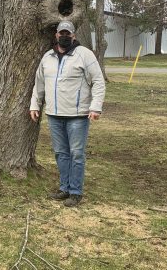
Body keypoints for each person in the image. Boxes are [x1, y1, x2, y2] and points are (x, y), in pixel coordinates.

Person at [30, 20, 105, 207]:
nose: (64, 36)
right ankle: (64, 188)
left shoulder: (85, 55)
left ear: (74, 35)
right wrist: (35, 105)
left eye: (68, 34)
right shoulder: (47, 57)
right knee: (60, 153)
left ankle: (76, 192)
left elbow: (98, 81)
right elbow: (39, 84)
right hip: (54, 114)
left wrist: (95, 107)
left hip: (78, 116)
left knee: (77, 154)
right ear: (56, 35)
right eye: (61, 33)